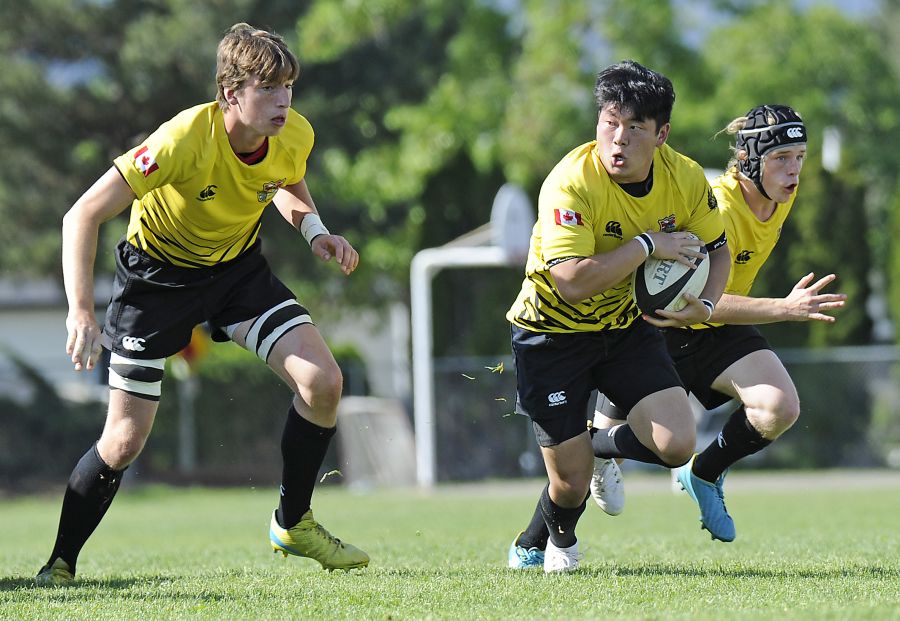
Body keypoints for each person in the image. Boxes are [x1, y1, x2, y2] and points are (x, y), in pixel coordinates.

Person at [36, 23, 369, 586]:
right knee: (123, 441)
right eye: (267, 89)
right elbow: (82, 215)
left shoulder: (294, 134)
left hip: (236, 271)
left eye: (287, 87)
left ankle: (292, 522)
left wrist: (316, 232)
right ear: (230, 94)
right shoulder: (183, 139)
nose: (283, 102)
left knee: (323, 384)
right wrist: (81, 311)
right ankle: (61, 563)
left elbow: (285, 178)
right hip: (157, 282)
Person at [505, 60, 731, 573]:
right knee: (569, 482)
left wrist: (709, 305)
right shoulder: (570, 182)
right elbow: (573, 281)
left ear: (662, 134)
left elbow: (717, 249)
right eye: (610, 123)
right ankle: (552, 541)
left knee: (678, 445)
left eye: (634, 128)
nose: (618, 140)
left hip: (626, 329)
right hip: (551, 334)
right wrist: (649, 244)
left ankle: (598, 449)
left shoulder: (686, 177)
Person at [590, 104, 847, 542]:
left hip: (716, 328)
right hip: (660, 328)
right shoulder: (719, 206)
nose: (794, 171)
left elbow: (717, 307)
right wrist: (785, 308)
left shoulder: (781, 196)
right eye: (781, 159)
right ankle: (545, 532)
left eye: (800, 157)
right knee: (584, 474)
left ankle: (704, 475)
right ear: (749, 159)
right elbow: (696, 298)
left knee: (779, 408)